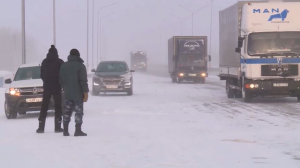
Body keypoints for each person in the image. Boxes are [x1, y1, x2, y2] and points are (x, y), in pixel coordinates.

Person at [59, 49, 89, 136]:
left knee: (67, 111)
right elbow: (83, 81)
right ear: (78, 55)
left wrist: (65, 88)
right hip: (78, 94)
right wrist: (85, 92)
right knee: (78, 112)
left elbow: (61, 80)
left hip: (67, 93)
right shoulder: (80, 66)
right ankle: (78, 130)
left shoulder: (64, 66)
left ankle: (65, 130)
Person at [36, 45, 64, 133]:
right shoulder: (60, 62)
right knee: (58, 106)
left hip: (47, 86)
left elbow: (41, 75)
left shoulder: (44, 62)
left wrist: (46, 81)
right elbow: (63, 75)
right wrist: (60, 83)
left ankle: (41, 127)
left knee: (44, 106)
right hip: (57, 86)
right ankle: (58, 126)